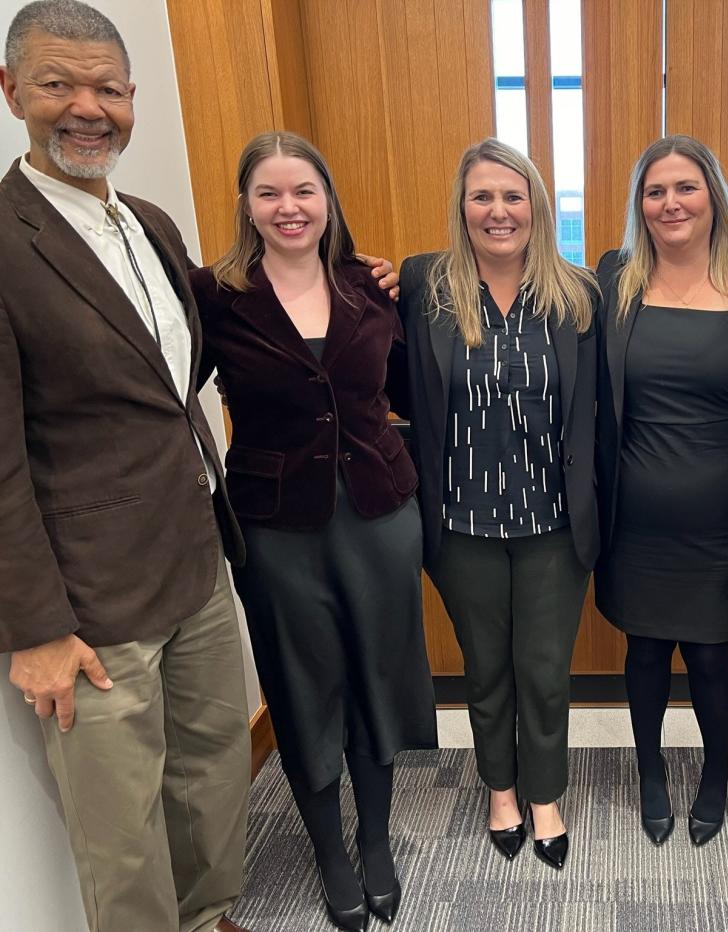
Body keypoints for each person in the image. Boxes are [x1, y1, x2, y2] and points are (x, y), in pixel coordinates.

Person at [0, 3, 251, 930]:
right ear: (13, 91)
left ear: (134, 99)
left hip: (193, 559)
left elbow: (184, 363)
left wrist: (347, 278)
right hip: (89, 604)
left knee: (215, 765)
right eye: (60, 84)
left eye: (108, 88)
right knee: (120, 827)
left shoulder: (147, 222)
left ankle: (209, 914)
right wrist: (35, 629)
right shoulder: (5, 241)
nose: (87, 108)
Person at [189, 131, 435, 931]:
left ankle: (375, 843)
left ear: (328, 200)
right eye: (269, 193)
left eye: (304, 191)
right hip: (277, 529)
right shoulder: (214, 296)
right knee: (303, 689)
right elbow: (164, 390)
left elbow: (408, 391)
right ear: (246, 207)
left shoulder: (372, 286)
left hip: (378, 515)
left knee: (377, 677)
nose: (288, 207)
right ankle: (329, 848)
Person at [395, 138, 599, 871]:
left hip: (553, 523)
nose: (498, 210)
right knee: (485, 668)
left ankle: (545, 794)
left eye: (513, 196)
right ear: (462, 206)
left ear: (536, 207)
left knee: (543, 669)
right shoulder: (424, 288)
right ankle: (500, 789)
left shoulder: (577, 295)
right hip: (461, 524)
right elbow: (391, 384)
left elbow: (596, 413)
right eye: (483, 196)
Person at [595, 134, 728, 848]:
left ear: (714, 198)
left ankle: (716, 775)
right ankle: (649, 773)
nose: (671, 203)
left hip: (722, 523)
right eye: (655, 190)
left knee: (709, 655)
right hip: (634, 520)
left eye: (686, 188)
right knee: (644, 652)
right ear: (640, 205)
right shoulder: (615, 279)